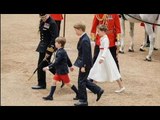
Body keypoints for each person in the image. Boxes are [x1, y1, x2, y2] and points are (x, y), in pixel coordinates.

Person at [90, 14, 125, 92]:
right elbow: (94, 27)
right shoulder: (98, 15)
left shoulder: (114, 15)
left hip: (111, 40)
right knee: (95, 60)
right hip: (99, 40)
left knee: (114, 61)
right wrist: (93, 39)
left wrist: (118, 40)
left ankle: (118, 76)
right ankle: (92, 81)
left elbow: (118, 28)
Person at [73, 23, 104, 106]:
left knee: (81, 81)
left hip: (85, 64)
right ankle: (98, 90)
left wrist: (84, 66)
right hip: (84, 63)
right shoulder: (84, 38)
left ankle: (83, 101)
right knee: (83, 80)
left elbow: (86, 55)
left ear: (80, 29)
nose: (75, 31)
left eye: (76, 30)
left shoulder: (84, 40)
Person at [32, 14, 58, 89]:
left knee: (41, 64)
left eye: (44, 17)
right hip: (43, 45)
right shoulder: (42, 21)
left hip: (49, 47)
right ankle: (61, 75)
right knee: (45, 63)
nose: (43, 19)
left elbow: (54, 38)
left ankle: (41, 84)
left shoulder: (52, 23)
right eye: (41, 17)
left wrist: (49, 51)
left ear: (48, 14)